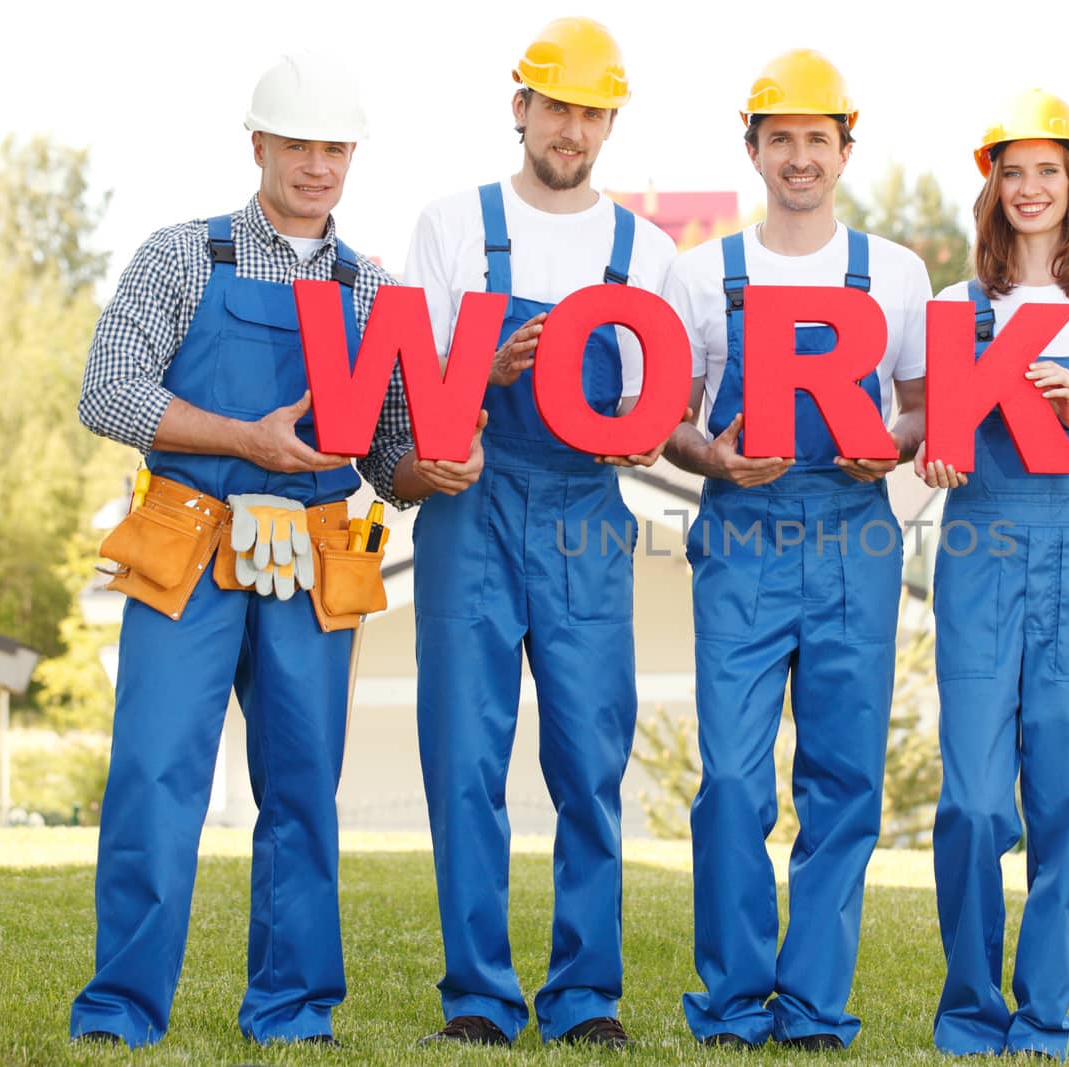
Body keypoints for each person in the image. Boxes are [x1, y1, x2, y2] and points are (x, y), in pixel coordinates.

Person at [69, 53, 482, 1048]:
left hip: (314, 558)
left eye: (332, 147)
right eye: (295, 143)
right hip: (188, 546)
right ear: (257, 144)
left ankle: (293, 1009)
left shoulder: (377, 291)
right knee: (154, 775)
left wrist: (427, 472)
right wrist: (243, 437)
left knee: (302, 786)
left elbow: (385, 454)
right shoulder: (182, 256)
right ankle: (121, 1012)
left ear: (351, 157)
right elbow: (108, 391)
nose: (315, 164)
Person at [404, 16, 677, 1052]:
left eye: (589, 111)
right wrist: (488, 373)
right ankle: (478, 993)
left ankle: (584, 993)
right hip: (471, 504)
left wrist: (634, 438)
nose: (570, 126)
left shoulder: (644, 250)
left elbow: (654, 415)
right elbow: (412, 393)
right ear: (519, 107)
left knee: (588, 757)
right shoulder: (451, 224)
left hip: (585, 519)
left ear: (608, 124)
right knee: (464, 756)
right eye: (554, 105)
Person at [659, 48, 930, 1052]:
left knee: (843, 777)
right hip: (740, 538)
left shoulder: (894, 271)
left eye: (819, 138)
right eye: (783, 140)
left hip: (856, 538)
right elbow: (666, 422)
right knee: (732, 777)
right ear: (754, 149)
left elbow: (918, 409)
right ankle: (733, 1001)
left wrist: (887, 449)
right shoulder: (703, 272)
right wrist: (714, 456)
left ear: (845, 149)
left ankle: (812, 1003)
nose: (801, 157)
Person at [921, 89, 1069, 1059]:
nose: (1028, 189)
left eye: (1046, 172)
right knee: (973, 799)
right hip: (980, 554)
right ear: (991, 187)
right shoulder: (953, 310)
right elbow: (934, 444)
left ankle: (1045, 1016)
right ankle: (972, 1009)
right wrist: (935, 457)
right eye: (1010, 172)